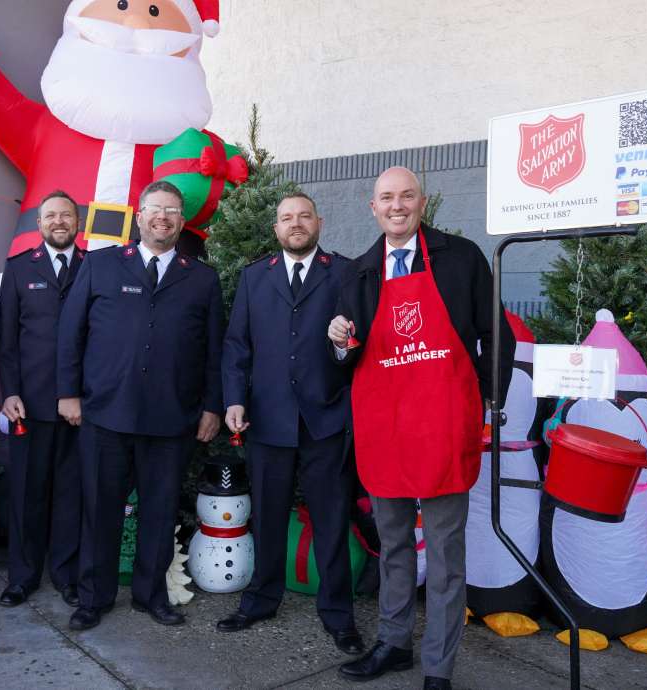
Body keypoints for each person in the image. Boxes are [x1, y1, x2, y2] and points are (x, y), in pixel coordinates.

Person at [328, 167, 514, 690]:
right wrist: (339, 340)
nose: (397, 205)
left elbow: (495, 334)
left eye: (406, 196)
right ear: (373, 207)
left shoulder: (462, 258)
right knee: (393, 546)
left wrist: (489, 401)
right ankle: (393, 643)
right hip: (385, 428)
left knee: (446, 554)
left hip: (442, 426)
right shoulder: (359, 272)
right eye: (387, 197)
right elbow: (346, 354)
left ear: (422, 202)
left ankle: (439, 666)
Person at [57, 180, 223, 631]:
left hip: (172, 418)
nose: (162, 218)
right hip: (105, 413)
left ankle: (151, 596)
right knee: (101, 510)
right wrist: (67, 393)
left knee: (160, 510)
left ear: (181, 222)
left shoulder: (202, 278)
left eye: (171, 211)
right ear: (140, 215)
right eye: (154, 209)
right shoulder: (101, 266)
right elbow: (71, 333)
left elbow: (213, 351)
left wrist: (212, 406)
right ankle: (94, 597)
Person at [218, 193, 364, 654]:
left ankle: (338, 613)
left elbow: (357, 345)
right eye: (286, 218)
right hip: (267, 418)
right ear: (276, 227)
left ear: (319, 222)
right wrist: (233, 400)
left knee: (331, 519)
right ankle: (261, 599)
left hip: (326, 418)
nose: (295, 224)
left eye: (303, 217)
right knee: (267, 514)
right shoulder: (253, 277)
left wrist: (343, 345)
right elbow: (237, 347)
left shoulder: (343, 272)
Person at [0, 191, 85, 608]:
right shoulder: (17, 270)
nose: (59, 221)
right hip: (28, 403)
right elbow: (7, 341)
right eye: (51, 215)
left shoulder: (94, 267)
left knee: (71, 494)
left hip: (79, 407)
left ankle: (66, 575)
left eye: (66, 215)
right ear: (39, 223)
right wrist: (9, 392)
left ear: (77, 222)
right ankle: (22, 576)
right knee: (27, 493)